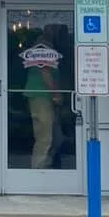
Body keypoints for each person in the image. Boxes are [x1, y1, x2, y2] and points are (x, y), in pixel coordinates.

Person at [23, 24, 63, 169]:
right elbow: (45, 72)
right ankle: (38, 169)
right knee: (45, 137)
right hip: (42, 96)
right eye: (57, 29)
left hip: (41, 96)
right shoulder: (44, 47)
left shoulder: (41, 46)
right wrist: (55, 95)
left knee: (55, 136)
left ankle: (46, 164)